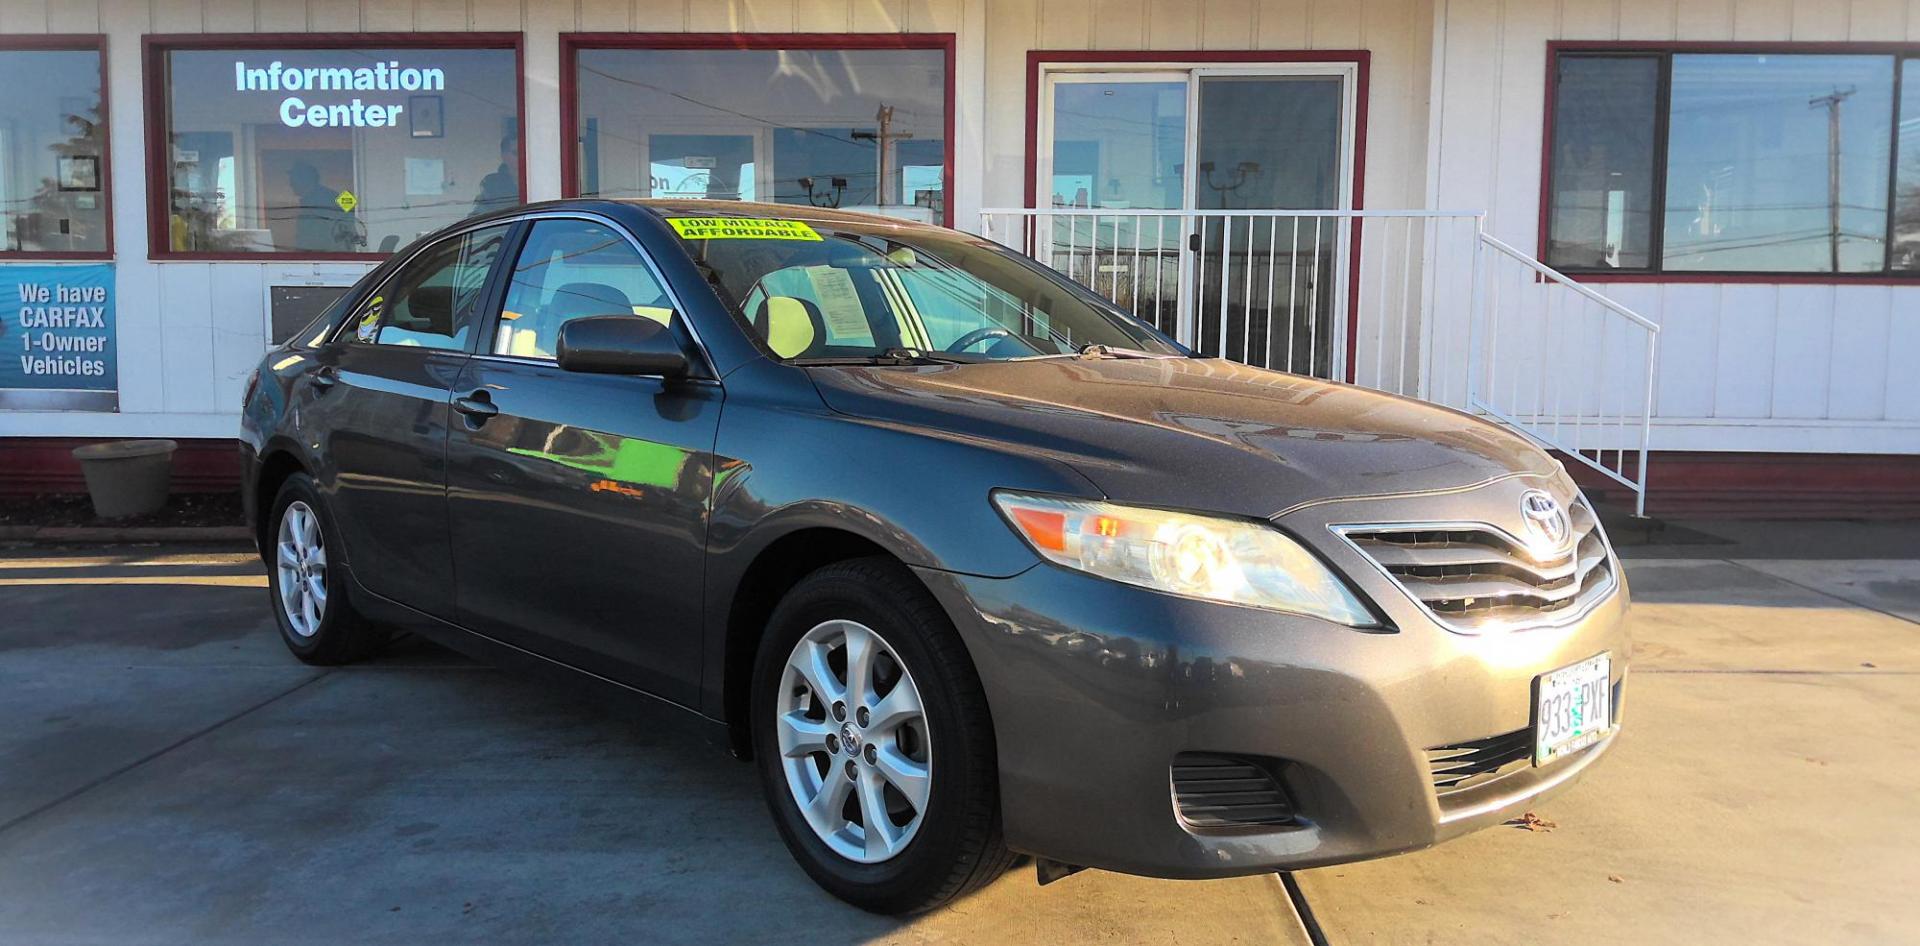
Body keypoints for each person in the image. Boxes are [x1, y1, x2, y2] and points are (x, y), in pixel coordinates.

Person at [286, 162, 349, 252]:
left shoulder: (325, 200)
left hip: (325, 257)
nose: (291, 184)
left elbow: (316, 236)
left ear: (304, 180)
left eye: (293, 179)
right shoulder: (327, 196)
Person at [471, 134, 520, 216]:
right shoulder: (492, 183)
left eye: (524, 152)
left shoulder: (537, 180)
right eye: (516, 153)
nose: (521, 156)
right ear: (504, 156)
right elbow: (480, 213)